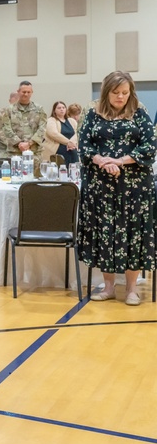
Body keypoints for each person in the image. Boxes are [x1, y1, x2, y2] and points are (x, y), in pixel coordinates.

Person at [77, 71, 156, 306]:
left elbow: (149, 147)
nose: (121, 97)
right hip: (100, 186)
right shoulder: (92, 114)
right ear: (106, 92)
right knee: (105, 232)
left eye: (125, 92)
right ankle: (109, 286)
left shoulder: (140, 114)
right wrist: (102, 160)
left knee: (132, 232)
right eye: (116, 93)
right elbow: (83, 145)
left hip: (134, 187)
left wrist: (119, 161)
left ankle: (132, 289)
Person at [0, 81, 47, 173]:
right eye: (23, 92)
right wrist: (19, 143)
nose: (26, 94)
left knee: (33, 183)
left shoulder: (39, 109)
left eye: (28, 92)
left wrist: (29, 143)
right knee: (14, 180)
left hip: (34, 153)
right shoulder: (9, 110)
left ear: (32, 92)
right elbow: (6, 128)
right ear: (18, 92)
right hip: (14, 153)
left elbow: (43, 128)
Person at [42, 101, 78, 165]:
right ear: (54, 110)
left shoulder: (71, 121)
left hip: (72, 149)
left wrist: (72, 143)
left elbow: (77, 133)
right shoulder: (51, 120)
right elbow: (53, 134)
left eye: (63, 107)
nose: (62, 109)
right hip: (57, 150)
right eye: (59, 108)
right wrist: (68, 142)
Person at [0, 91, 19, 156]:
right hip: (5, 148)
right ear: (9, 101)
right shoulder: (3, 112)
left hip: (21, 148)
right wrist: (12, 142)